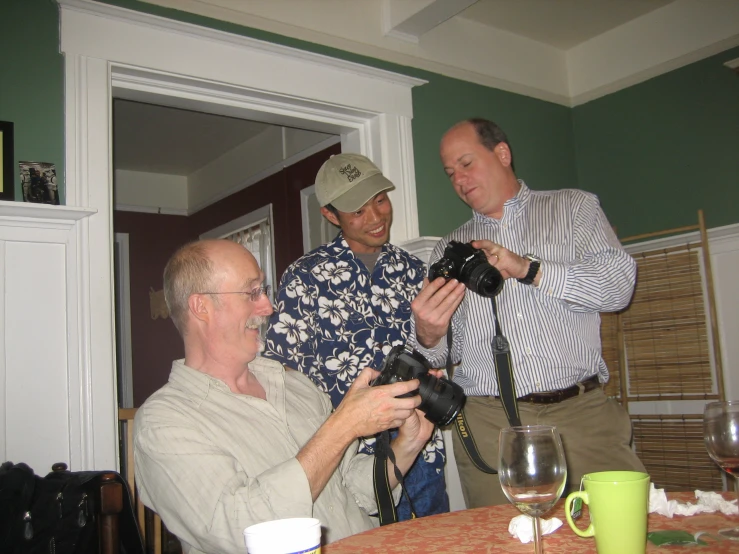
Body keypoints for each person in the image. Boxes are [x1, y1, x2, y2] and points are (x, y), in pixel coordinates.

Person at [133, 239, 435, 553]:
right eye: (251, 292)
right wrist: (344, 425)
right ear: (202, 307)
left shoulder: (297, 388)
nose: (268, 307)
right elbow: (243, 529)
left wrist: (408, 444)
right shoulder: (163, 423)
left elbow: (353, 490)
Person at [411, 118, 646, 508]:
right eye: (451, 173)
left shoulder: (574, 208)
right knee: (503, 542)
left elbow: (619, 287)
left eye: (467, 164)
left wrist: (528, 269)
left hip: (583, 415)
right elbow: (442, 356)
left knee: (616, 530)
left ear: (502, 154)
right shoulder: (449, 250)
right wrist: (427, 334)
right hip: (489, 424)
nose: (459, 180)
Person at [263, 153, 448, 519]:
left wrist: (433, 342)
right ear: (331, 215)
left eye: (380, 200)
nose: (377, 217)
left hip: (420, 455)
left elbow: (438, 357)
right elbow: (286, 380)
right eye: (358, 211)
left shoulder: (414, 271)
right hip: (348, 464)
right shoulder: (305, 277)